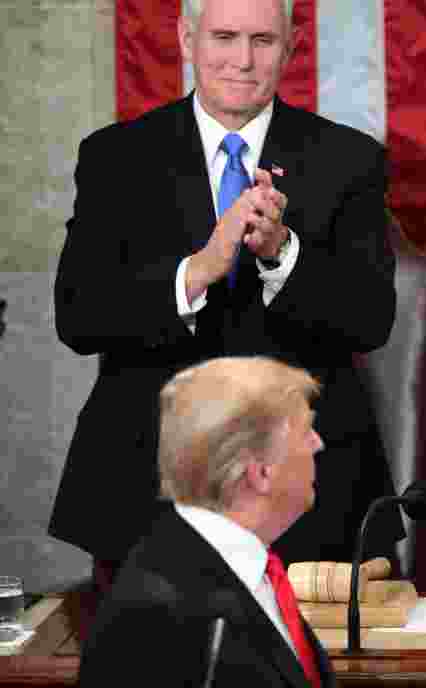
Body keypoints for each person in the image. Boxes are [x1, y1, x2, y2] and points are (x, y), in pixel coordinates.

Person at [50, 0, 403, 598]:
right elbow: (80, 314)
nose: (243, 60)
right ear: (188, 38)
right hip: (146, 485)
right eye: (225, 37)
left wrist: (282, 255)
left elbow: (371, 320)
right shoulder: (117, 157)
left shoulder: (349, 159)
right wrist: (196, 272)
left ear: (290, 46)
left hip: (309, 495)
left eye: (263, 40)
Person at [78, 356, 334, 687]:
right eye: (305, 430)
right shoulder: (159, 613)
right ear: (260, 472)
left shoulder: (251, 572)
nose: (318, 442)